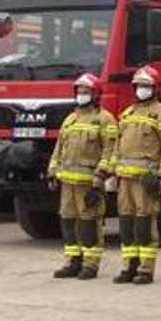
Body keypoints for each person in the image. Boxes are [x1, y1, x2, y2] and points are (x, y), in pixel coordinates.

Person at [107, 65, 161, 285]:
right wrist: (111, 172)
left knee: (145, 223)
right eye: (139, 86)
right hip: (125, 180)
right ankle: (129, 266)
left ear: (155, 88)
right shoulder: (127, 114)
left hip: (146, 180)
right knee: (127, 225)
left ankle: (146, 269)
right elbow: (117, 147)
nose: (142, 90)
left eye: (146, 86)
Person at [48, 73, 118, 280]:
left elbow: (110, 151)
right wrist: (52, 171)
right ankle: (72, 262)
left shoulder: (105, 120)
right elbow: (58, 148)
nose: (81, 95)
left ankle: (90, 265)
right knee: (68, 222)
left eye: (86, 92)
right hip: (67, 183)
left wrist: (100, 176)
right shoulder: (70, 119)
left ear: (95, 94)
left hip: (89, 183)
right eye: (79, 91)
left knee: (89, 224)